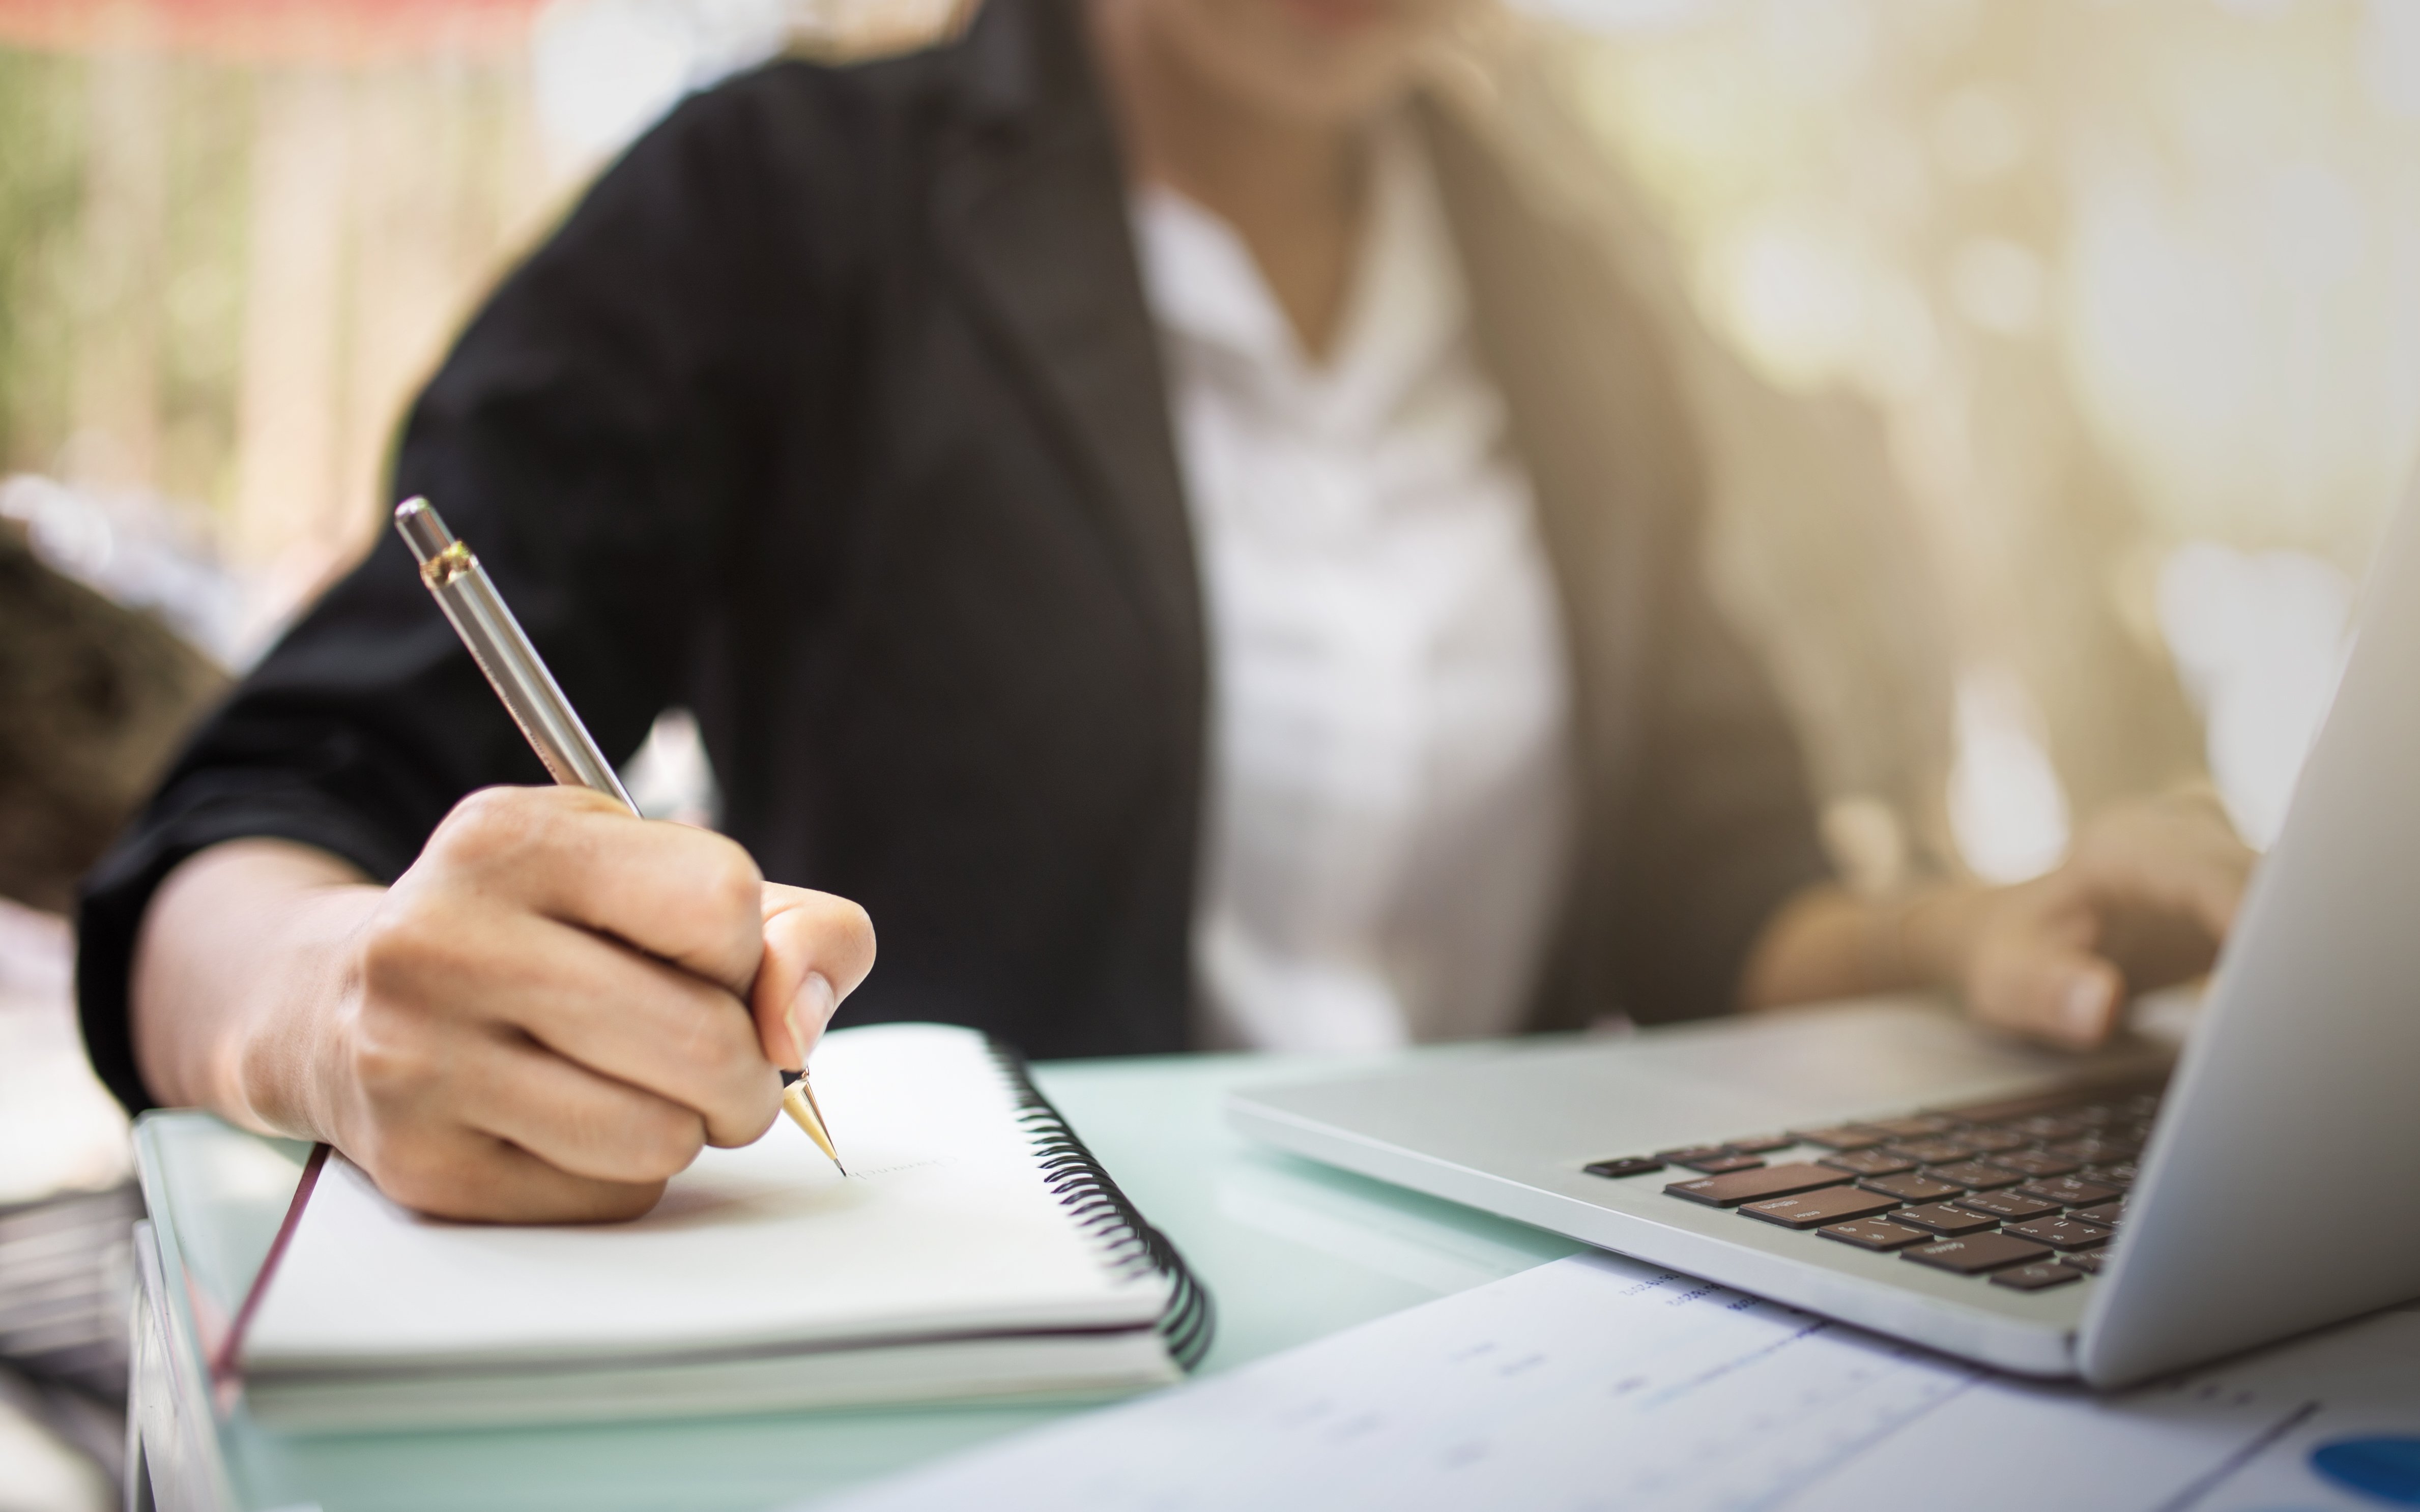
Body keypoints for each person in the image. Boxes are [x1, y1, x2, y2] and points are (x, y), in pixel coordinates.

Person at [78, 0, 2252, 1224]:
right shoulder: (778, 210)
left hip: (1521, 1340)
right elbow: (248, 828)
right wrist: (328, 1004)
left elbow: (1712, 886)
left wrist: (1973, 939)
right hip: (971, 1335)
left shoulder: (1580, 294)